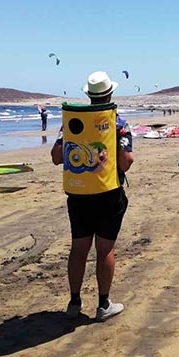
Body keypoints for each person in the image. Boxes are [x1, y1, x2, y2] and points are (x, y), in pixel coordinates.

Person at [51, 71, 134, 322]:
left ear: (89, 96)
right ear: (110, 94)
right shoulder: (118, 123)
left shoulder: (71, 122)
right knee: (105, 249)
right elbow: (127, 162)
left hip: (78, 194)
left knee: (78, 249)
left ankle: (74, 302)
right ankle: (103, 304)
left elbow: (56, 157)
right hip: (108, 193)